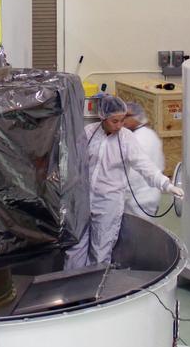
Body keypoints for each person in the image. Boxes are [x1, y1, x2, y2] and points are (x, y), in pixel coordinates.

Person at [66, 95, 182, 269]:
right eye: (114, 121)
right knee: (76, 246)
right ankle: (70, 281)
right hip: (83, 199)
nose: (119, 125)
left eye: (122, 120)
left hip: (108, 202)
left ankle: (94, 284)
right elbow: (73, 160)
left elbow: (145, 165)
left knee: (101, 249)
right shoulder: (89, 132)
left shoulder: (126, 139)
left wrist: (166, 184)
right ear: (102, 117)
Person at [122, 101, 165, 217]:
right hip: (151, 196)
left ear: (136, 117)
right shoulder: (150, 134)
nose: (122, 122)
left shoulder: (138, 140)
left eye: (126, 117)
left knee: (135, 228)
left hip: (137, 201)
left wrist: (119, 198)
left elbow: (133, 177)